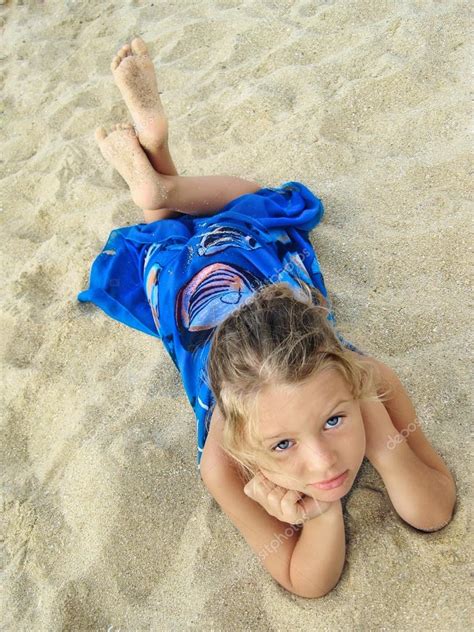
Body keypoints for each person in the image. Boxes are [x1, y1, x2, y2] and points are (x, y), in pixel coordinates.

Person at [77, 38, 457, 599]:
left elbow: (432, 510)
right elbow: (304, 580)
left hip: (216, 289)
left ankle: (160, 178)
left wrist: (378, 435)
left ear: (348, 381)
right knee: (230, 214)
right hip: (223, 279)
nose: (323, 459)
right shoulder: (223, 462)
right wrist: (323, 512)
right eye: (281, 446)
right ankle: (160, 175)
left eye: (333, 421)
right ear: (240, 437)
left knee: (192, 227)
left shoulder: (364, 379)